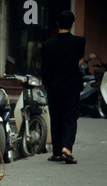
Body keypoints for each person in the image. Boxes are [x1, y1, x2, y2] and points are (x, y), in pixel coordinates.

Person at [41, 10, 85, 164]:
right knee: (70, 118)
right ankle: (67, 147)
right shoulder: (79, 42)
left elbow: (44, 70)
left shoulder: (47, 45)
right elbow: (78, 57)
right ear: (72, 24)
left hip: (54, 88)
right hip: (72, 87)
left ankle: (57, 152)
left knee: (56, 119)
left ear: (57, 24)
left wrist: (47, 84)